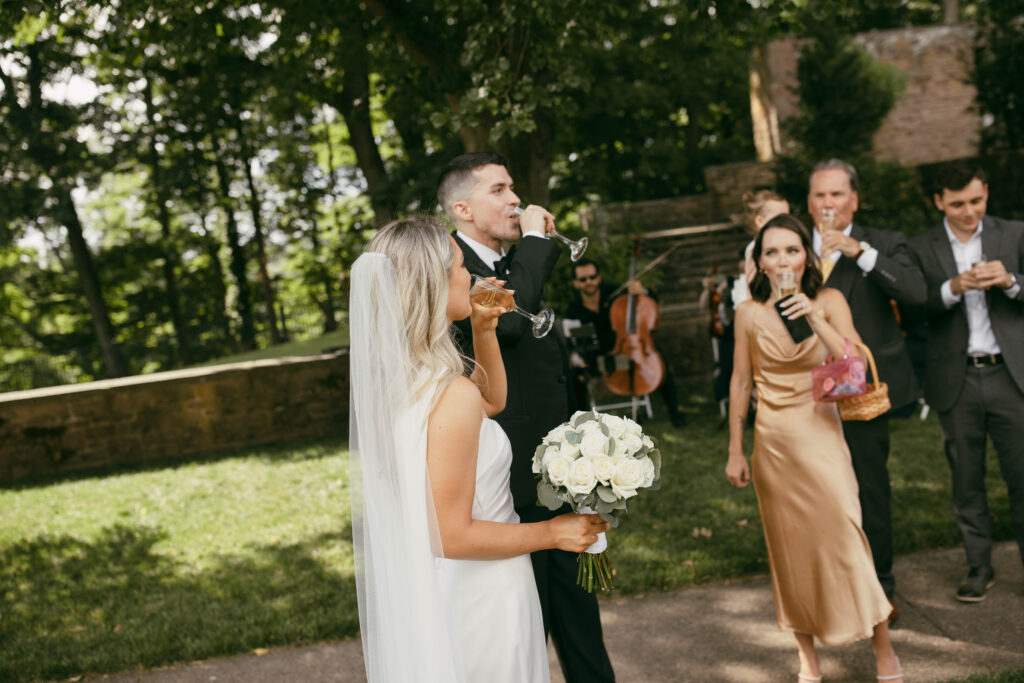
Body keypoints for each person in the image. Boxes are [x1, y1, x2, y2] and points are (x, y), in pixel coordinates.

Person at [348, 216, 609, 682]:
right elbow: (451, 535)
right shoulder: (450, 395)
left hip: (447, 588)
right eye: (457, 265)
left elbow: (490, 400)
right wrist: (554, 533)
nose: (469, 273)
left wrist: (484, 329)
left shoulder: (408, 382)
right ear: (431, 283)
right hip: (483, 595)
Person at [437, 153, 616, 683]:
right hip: (504, 484)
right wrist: (537, 243)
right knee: (523, 628)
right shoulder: (450, 271)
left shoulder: (512, 268)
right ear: (462, 208)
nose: (516, 199)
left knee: (581, 620)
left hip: (558, 472)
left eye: (514, 188)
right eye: (500, 190)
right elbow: (508, 328)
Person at [726, 214, 903, 682]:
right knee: (790, 552)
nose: (782, 259)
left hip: (822, 431)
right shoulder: (748, 312)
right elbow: (741, 381)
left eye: (791, 249)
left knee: (848, 536)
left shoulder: (829, 299)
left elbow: (853, 366)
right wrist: (734, 450)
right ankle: (808, 660)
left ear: (807, 255)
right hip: (774, 444)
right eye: (771, 252)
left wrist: (813, 316)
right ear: (759, 263)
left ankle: (883, 646)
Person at [807, 159, 927, 614]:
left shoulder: (884, 243)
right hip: (808, 396)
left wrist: (861, 252)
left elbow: (915, 293)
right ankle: (833, 585)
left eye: (837, 194)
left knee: (869, 489)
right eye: (820, 195)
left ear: (854, 199)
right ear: (809, 202)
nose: (828, 204)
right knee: (821, 492)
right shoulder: (796, 248)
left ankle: (881, 586)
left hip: (862, 394)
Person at [907, 161, 1024, 602]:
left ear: (986, 193)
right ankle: (979, 565)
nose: (969, 211)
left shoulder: (1015, 234)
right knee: (966, 479)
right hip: (956, 380)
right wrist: (951, 287)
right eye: (957, 204)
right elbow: (914, 307)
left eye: (976, 200)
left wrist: (1011, 281)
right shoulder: (920, 248)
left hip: (1011, 376)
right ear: (939, 201)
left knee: (1023, 476)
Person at [563, 258, 685, 427]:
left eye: (592, 277)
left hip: (628, 353)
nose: (589, 282)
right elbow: (572, 344)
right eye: (583, 279)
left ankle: (675, 413)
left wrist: (644, 291)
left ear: (599, 278)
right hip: (598, 359)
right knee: (574, 375)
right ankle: (582, 424)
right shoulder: (572, 311)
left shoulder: (617, 294)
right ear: (576, 283)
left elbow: (650, 303)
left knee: (659, 361)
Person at [732, 189, 791, 309]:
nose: (787, 223)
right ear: (760, 221)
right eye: (780, 219)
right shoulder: (755, 248)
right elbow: (752, 284)